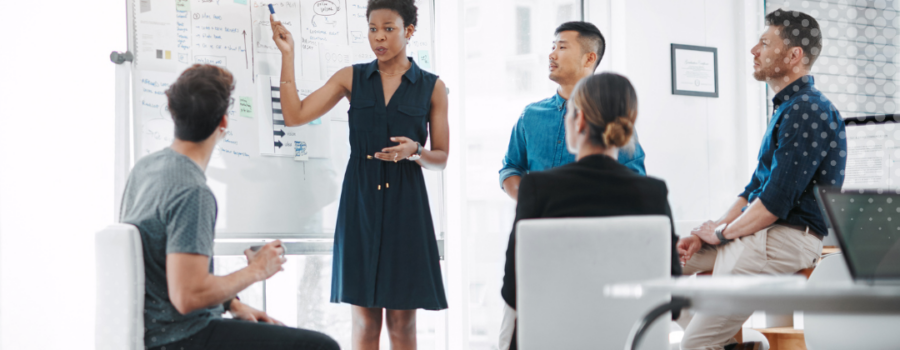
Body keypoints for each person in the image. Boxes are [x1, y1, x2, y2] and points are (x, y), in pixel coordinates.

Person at [119, 64, 339, 350]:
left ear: (174, 114)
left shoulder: (146, 168)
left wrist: (231, 303)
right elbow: (187, 296)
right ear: (223, 123)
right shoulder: (192, 193)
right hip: (183, 337)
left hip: (160, 331)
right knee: (322, 347)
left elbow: (167, 272)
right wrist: (256, 270)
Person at [268, 0, 449, 348]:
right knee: (365, 323)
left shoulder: (432, 86)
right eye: (372, 29)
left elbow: (440, 158)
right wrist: (287, 55)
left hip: (406, 205)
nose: (378, 37)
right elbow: (295, 115)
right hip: (360, 203)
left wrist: (415, 151)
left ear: (409, 31)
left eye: (388, 29)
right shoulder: (351, 77)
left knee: (402, 324)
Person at [675, 9, 846, 350]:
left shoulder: (808, 109)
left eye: (765, 43)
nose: (754, 50)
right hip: (761, 231)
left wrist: (722, 233)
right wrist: (709, 231)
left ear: (794, 55)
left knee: (692, 346)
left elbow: (774, 203)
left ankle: (714, 341)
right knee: (664, 261)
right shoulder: (787, 107)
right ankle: (730, 344)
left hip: (787, 236)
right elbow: (754, 188)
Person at [499, 73, 682, 350]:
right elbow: (672, 298)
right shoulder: (652, 194)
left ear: (580, 119)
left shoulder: (538, 188)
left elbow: (513, 291)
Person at [500, 21, 647, 201]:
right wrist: (530, 202)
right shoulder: (530, 115)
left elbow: (635, 181)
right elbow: (511, 167)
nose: (551, 54)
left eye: (561, 47)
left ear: (589, 58)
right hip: (537, 225)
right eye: (553, 47)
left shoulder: (612, 117)